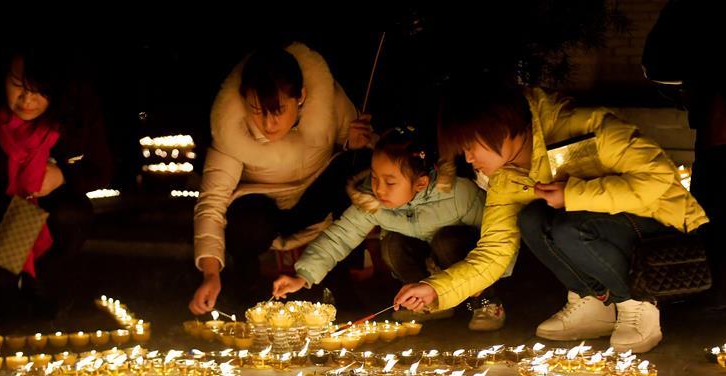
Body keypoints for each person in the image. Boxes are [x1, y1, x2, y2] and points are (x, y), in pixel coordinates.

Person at [394, 82, 708, 352]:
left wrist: (573, 195)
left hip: (665, 230)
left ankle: (638, 302)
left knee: (570, 225)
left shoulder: (582, 129)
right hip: (606, 230)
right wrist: (436, 289)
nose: (470, 159)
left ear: (502, 125)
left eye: (471, 146)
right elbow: (495, 251)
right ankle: (595, 302)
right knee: (531, 219)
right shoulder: (506, 179)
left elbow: (659, 180)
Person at [0, 46, 112, 320]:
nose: (27, 99)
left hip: (50, 213)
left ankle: (41, 282)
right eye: (18, 86)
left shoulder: (74, 116)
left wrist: (63, 175)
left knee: (70, 214)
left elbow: (103, 168)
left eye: (39, 90)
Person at [190, 43, 373, 315]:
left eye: (278, 110)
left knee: (354, 168)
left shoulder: (327, 104)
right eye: (257, 110)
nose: (268, 124)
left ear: (301, 96)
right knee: (246, 223)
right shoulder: (232, 130)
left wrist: (357, 143)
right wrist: (210, 273)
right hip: (263, 212)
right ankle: (246, 284)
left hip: (314, 199)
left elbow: (368, 151)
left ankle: (342, 281)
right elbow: (211, 203)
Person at [272, 127, 506, 331]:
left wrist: (487, 280)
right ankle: (426, 304)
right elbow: (340, 237)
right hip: (429, 263)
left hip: (465, 265)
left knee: (446, 241)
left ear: (421, 182)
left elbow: (498, 240)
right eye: (374, 178)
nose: (379, 189)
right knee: (392, 244)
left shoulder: (458, 194)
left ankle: (486, 301)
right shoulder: (373, 202)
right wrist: (303, 276)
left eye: (390, 182)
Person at [644, 0, 726, 311]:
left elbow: (656, 64)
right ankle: (713, 289)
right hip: (715, 130)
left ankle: (714, 290)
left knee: (712, 211)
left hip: (716, 133)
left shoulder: (688, 11)